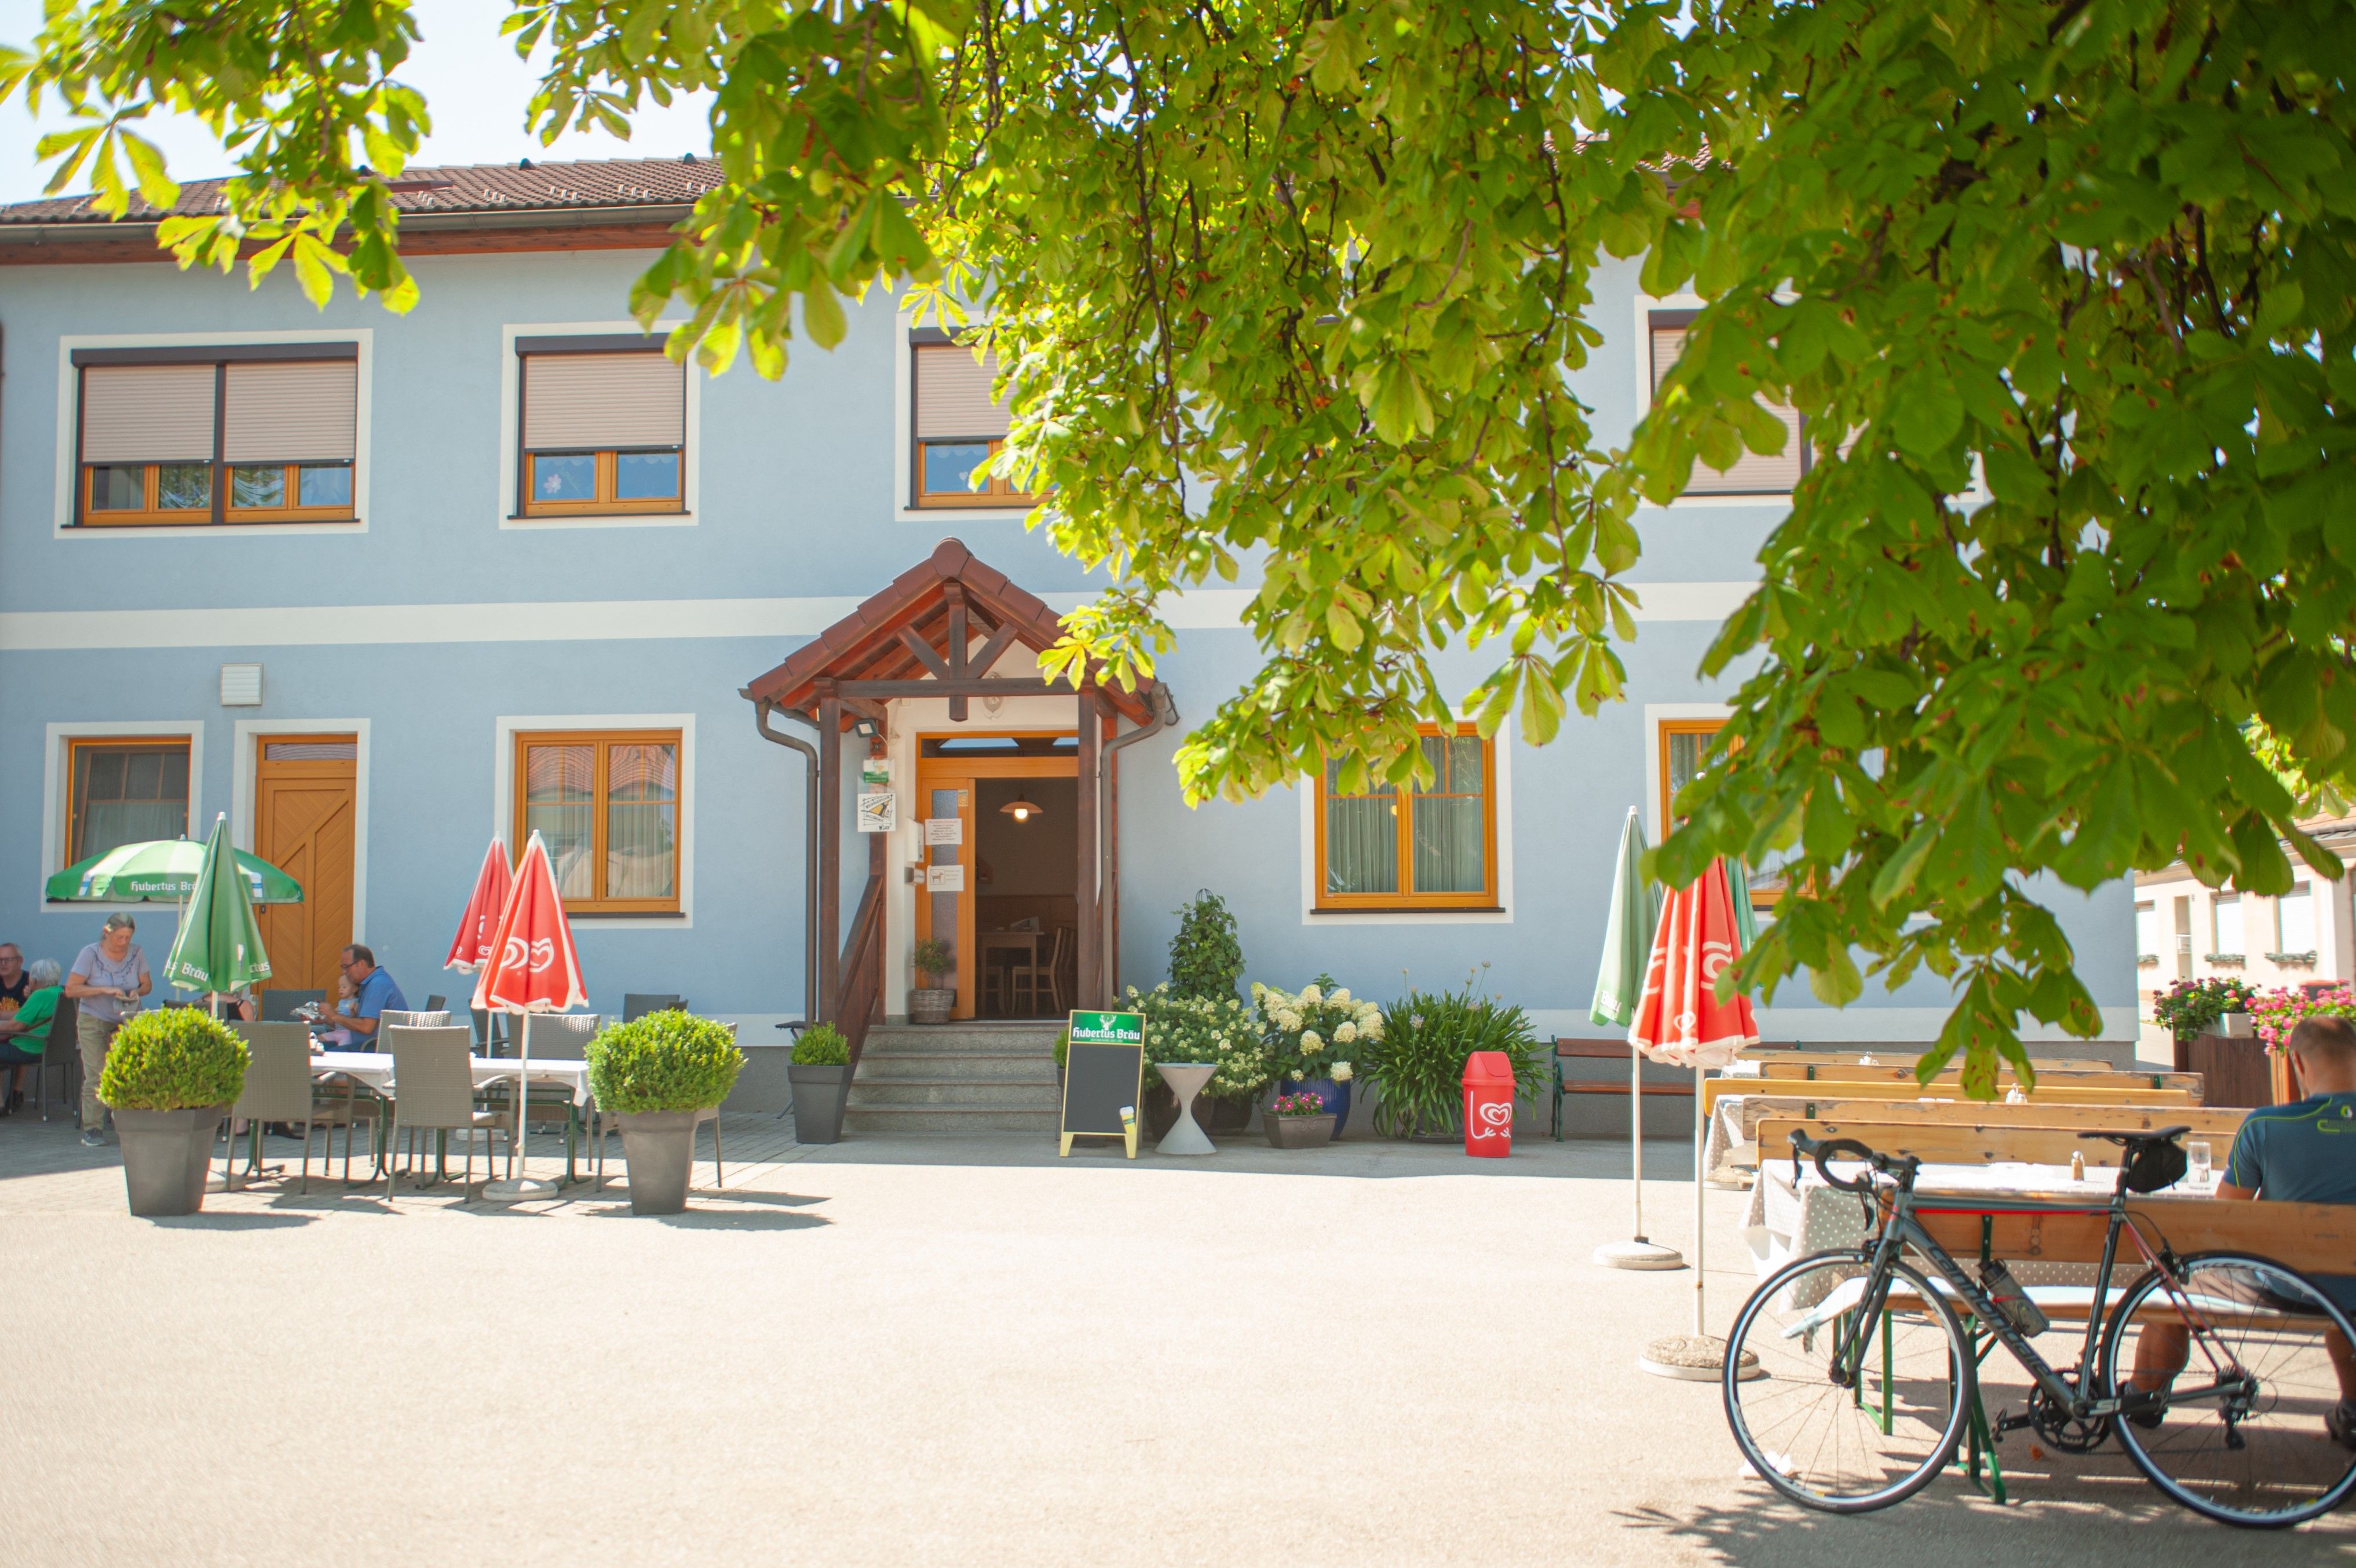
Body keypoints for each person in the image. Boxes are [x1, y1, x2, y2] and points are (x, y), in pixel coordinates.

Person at [2128, 1013, 2356, 1445]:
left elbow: (2224, 1220)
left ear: (2298, 1064)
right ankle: (2353, 1410)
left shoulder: (2266, 1127)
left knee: (2177, 1281)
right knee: (2343, 1299)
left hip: (2292, 1288)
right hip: (2351, 1291)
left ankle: (2141, 1395)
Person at [65, 913, 150, 1146]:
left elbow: (147, 984)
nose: (124, 942)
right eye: (119, 937)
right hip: (93, 1017)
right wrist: (104, 990)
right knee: (97, 1072)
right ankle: (93, 1129)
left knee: (134, 1068)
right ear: (107, 932)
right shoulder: (90, 954)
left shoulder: (137, 952)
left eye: (128, 937)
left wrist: (138, 992)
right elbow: (71, 990)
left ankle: (131, 1120)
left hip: (127, 1016)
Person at [0, 957, 61, 1114]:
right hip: (54, 1049)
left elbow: (15, 1026)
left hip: (30, 1048)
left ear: (34, 979)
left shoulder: (40, 995)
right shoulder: (63, 993)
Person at [335, 945, 406, 1048]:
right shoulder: (370, 982)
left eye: (347, 967)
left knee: (320, 1056)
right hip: (364, 1044)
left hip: (374, 1049)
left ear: (361, 964)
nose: (344, 972)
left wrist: (334, 1016)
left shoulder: (378, 984)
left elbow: (366, 1027)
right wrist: (327, 1019)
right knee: (319, 1049)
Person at [0, 943, 29, 1022]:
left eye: (8, 960)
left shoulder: (32, 982)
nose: (3, 964)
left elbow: (33, 1013)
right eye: (0, 960)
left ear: (20, 961)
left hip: (24, 1032)